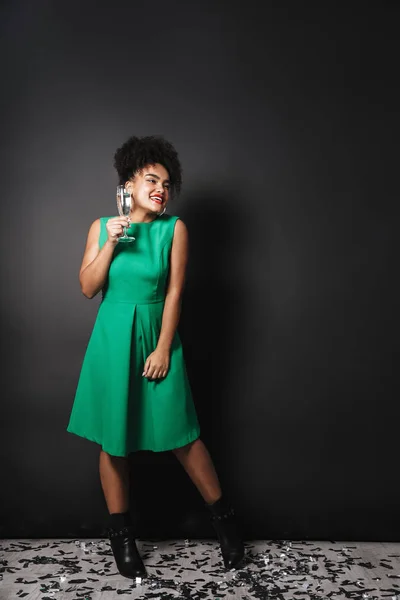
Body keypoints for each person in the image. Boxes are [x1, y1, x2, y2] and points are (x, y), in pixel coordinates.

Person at [66, 135, 244, 579]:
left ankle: (226, 524)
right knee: (114, 441)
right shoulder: (101, 226)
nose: (161, 189)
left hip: (155, 333)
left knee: (182, 436)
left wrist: (164, 347)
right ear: (128, 183)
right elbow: (89, 288)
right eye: (151, 179)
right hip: (111, 338)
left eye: (167, 182)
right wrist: (111, 241)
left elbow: (175, 293)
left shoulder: (174, 229)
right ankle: (123, 538)